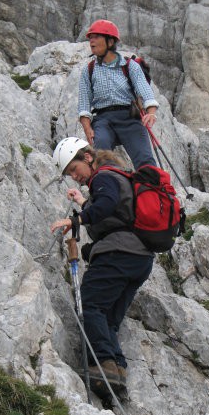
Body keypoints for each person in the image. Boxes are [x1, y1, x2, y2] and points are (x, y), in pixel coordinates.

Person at [51, 136, 154, 398]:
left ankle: (105, 365)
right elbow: (114, 212)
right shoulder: (116, 175)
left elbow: (106, 205)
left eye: (74, 169)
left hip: (118, 253)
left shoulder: (103, 178)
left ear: (87, 157)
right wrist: (84, 203)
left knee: (91, 304)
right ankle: (116, 374)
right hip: (140, 259)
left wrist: (76, 220)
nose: (75, 177)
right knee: (108, 318)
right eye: (69, 174)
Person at [78, 19, 159, 170]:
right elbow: (84, 104)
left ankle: (152, 187)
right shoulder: (88, 70)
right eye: (90, 38)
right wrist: (87, 128)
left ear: (110, 42)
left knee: (145, 161)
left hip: (129, 117)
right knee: (101, 158)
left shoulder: (130, 66)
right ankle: (108, 184)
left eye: (96, 37)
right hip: (103, 120)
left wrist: (151, 112)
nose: (91, 41)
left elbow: (146, 91)